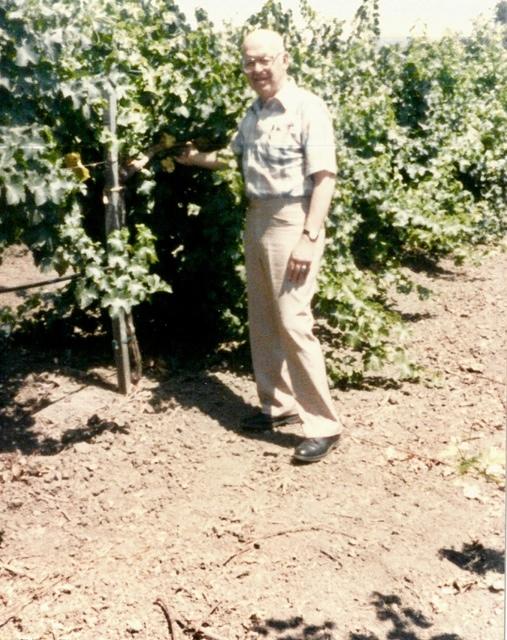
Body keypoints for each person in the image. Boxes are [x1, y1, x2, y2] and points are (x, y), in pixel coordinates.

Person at [176, 28, 342, 463]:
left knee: (292, 319)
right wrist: (191, 157)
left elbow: (325, 177)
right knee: (264, 317)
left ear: (284, 59)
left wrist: (309, 237)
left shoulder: (309, 108)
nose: (257, 69)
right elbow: (232, 159)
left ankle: (324, 424)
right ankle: (278, 406)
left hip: (294, 220)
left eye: (265, 60)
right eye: (250, 62)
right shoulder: (252, 114)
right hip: (257, 217)